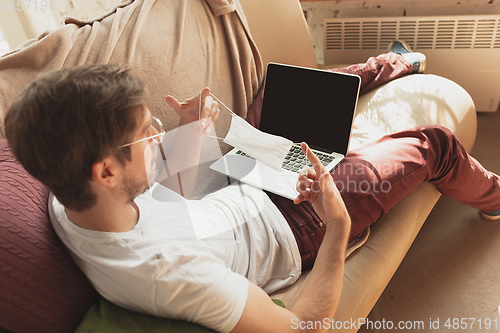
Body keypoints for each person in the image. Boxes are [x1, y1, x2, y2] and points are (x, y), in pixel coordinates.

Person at [4, 44, 500, 333]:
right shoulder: (171, 274)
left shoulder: (66, 197)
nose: (158, 130)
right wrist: (337, 229)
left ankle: (387, 65)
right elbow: (300, 325)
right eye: (146, 133)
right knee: (433, 144)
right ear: (105, 172)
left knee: (288, 93)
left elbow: (172, 203)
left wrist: (191, 133)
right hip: (296, 222)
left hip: (244, 176)